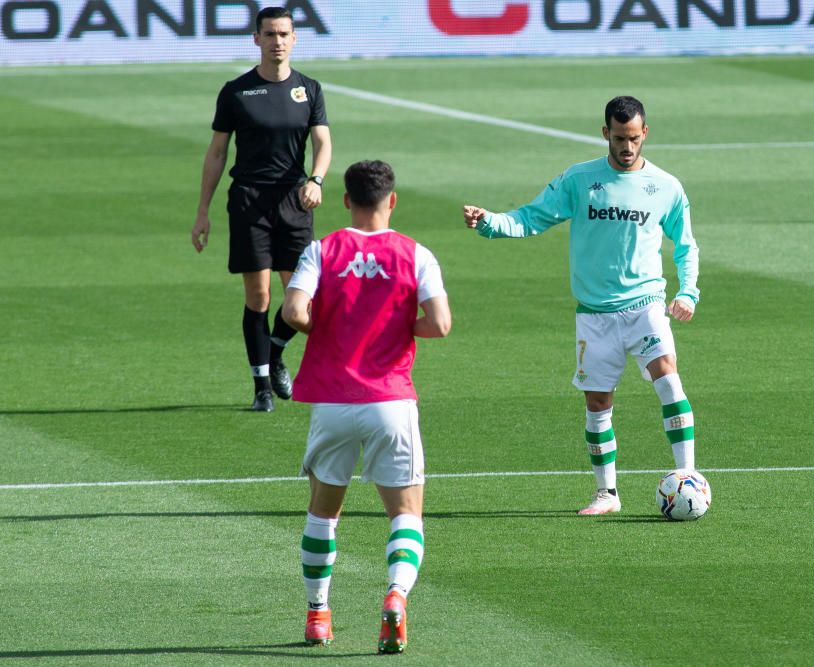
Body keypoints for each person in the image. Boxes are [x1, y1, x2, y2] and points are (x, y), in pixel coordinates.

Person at [462, 96, 700, 516]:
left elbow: (686, 245)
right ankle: (607, 494)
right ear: (605, 132)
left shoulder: (666, 186)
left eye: (634, 138)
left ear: (646, 133)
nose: (627, 147)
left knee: (668, 378)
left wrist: (688, 291)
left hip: (645, 303)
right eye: (619, 138)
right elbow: (532, 217)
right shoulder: (580, 180)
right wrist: (489, 223)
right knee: (597, 404)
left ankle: (689, 477)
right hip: (594, 313)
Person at [283, 160, 451, 653]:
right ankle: (396, 596)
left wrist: (330, 330)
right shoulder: (416, 254)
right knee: (405, 513)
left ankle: (317, 615)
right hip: (391, 401)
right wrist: (399, 328)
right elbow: (439, 324)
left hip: (332, 401)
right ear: (392, 200)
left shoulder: (322, 249)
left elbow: (293, 312)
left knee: (323, 513)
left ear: (345, 201)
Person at [191, 6, 333, 413]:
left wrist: (316, 179)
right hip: (250, 200)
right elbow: (217, 153)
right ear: (256, 39)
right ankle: (261, 389)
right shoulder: (236, 91)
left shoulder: (310, 89)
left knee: (299, 301)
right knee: (259, 296)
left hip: (294, 200)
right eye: (269, 34)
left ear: (295, 39)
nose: (277, 41)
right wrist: (203, 211)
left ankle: (275, 353)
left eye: (284, 34)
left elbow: (322, 142)